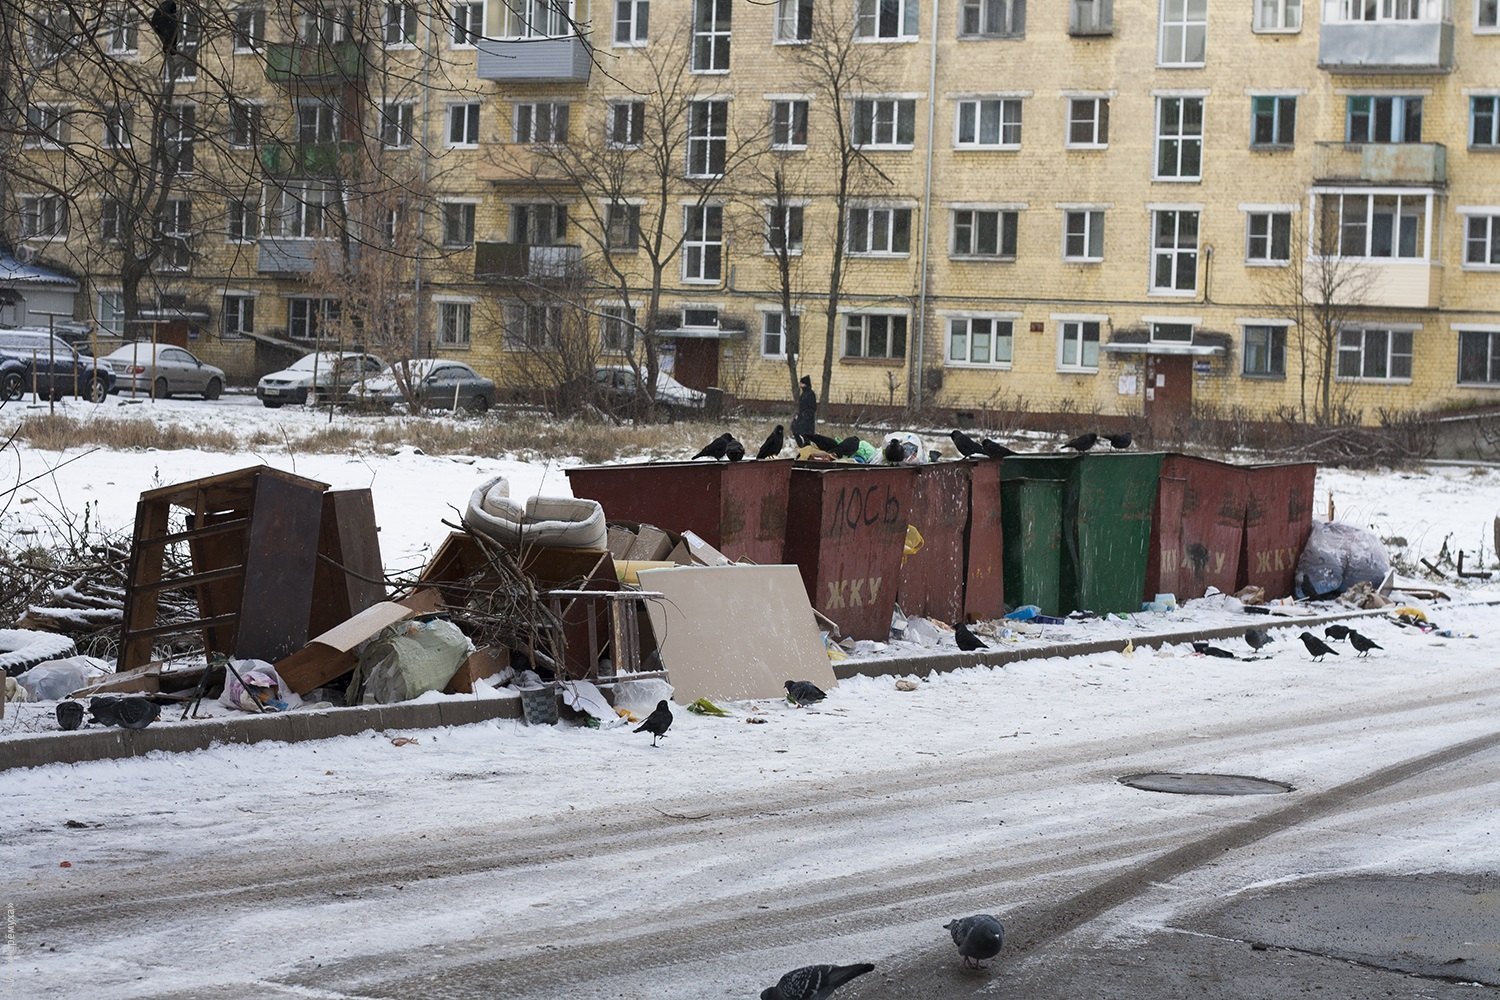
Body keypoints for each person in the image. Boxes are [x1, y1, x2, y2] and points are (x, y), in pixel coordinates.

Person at [792, 374, 817, 440]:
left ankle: (806, 447)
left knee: (806, 434)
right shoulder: (804, 393)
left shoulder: (810, 394)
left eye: (801, 383)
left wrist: (806, 415)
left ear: (805, 384)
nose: (800, 385)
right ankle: (803, 446)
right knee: (795, 430)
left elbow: (813, 407)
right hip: (802, 416)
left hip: (807, 418)